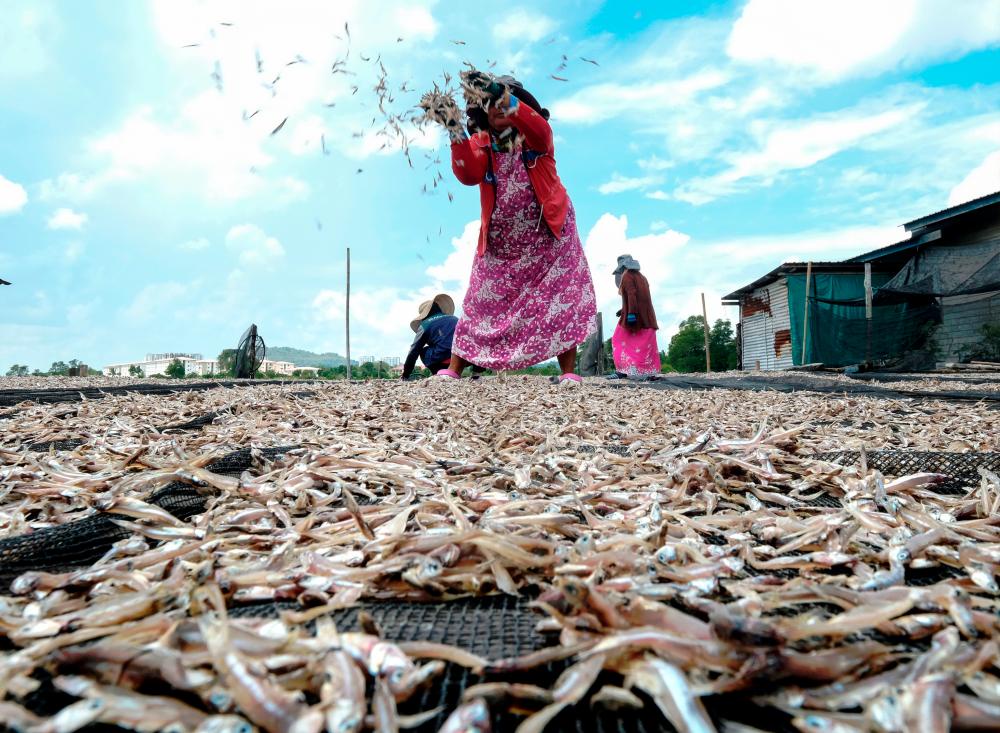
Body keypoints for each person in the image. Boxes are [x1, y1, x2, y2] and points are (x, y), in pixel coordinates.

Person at [422, 72, 597, 384]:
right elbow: (468, 174)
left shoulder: (535, 137)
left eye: (502, 102)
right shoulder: (482, 142)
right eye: (489, 104)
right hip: (501, 243)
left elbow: (539, 128)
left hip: (548, 236)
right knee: (479, 299)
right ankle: (454, 370)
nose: (497, 109)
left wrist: (498, 93)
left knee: (560, 297)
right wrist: (452, 126)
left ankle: (569, 373)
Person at [401, 294, 486, 379]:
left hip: (443, 360)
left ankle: (438, 374)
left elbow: (413, 352)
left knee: (422, 351)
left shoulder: (424, 325)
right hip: (466, 357)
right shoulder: (454, 318)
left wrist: (406, 374)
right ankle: (477, 374)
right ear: (439, 309)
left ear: (424, 316)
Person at [611, 255, 661, 379]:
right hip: (647, 318)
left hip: (635, 317)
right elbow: (641, 298)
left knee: (617, 339)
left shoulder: (627, 276)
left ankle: (622, 371)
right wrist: (624, 309)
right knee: (644, 345)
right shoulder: (642, 277)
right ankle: (649, 372)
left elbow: (632, 295)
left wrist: (631, 313)